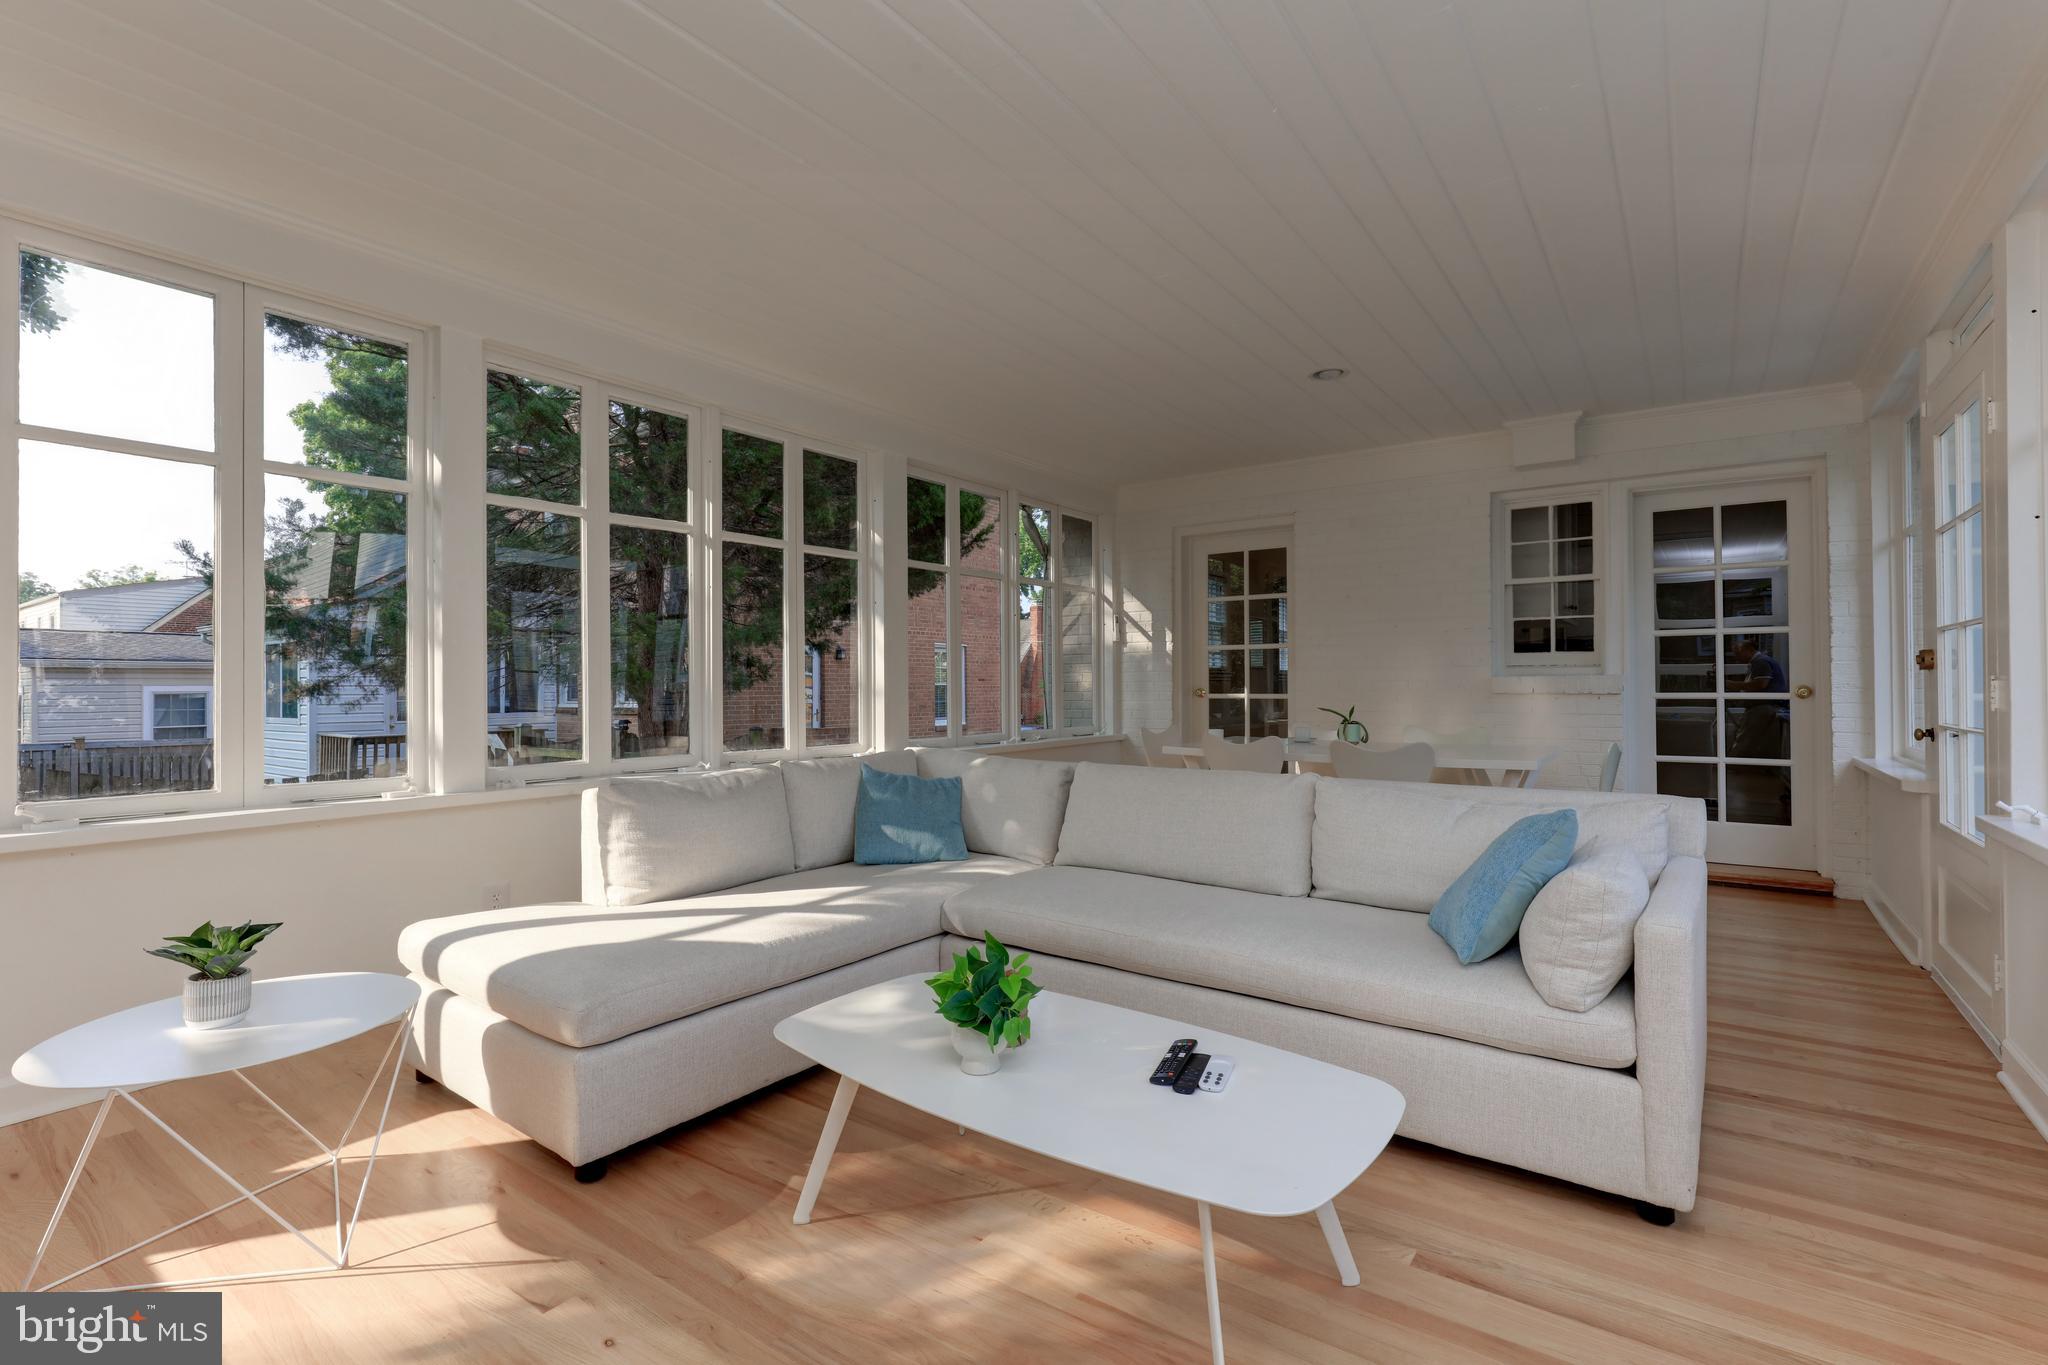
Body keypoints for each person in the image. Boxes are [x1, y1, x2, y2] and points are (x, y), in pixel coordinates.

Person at [1729, 638, 1788, 757]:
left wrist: (1731, 684)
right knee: (1754, 739)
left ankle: (1736, 764)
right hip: (1766, 706)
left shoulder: (1760, 662)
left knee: (1746, 738)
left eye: (1737, 653)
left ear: (1748, 650)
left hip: (1763, 707)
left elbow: (1761, 684)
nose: (1736, 657)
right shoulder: (1759, 662)